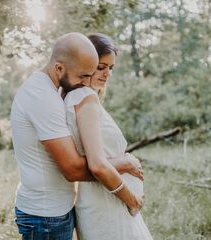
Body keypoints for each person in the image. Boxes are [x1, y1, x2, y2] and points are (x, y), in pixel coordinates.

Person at [10, 32, 144, 240]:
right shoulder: (42, 96)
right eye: (84, 74)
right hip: (46, 216)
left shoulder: (51, 92)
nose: (86, 81)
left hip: (56, 210)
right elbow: (74, 169)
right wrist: (125, 166)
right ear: (59, 68)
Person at [64, 33, 153, 240]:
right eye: (101, 67)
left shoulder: (79, 97)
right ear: (85, 64)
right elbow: (96, 165)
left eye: (110, 68)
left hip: (107, 201)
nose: (107, 74)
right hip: (106, 202)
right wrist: (131, 198)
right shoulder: (85, 98)